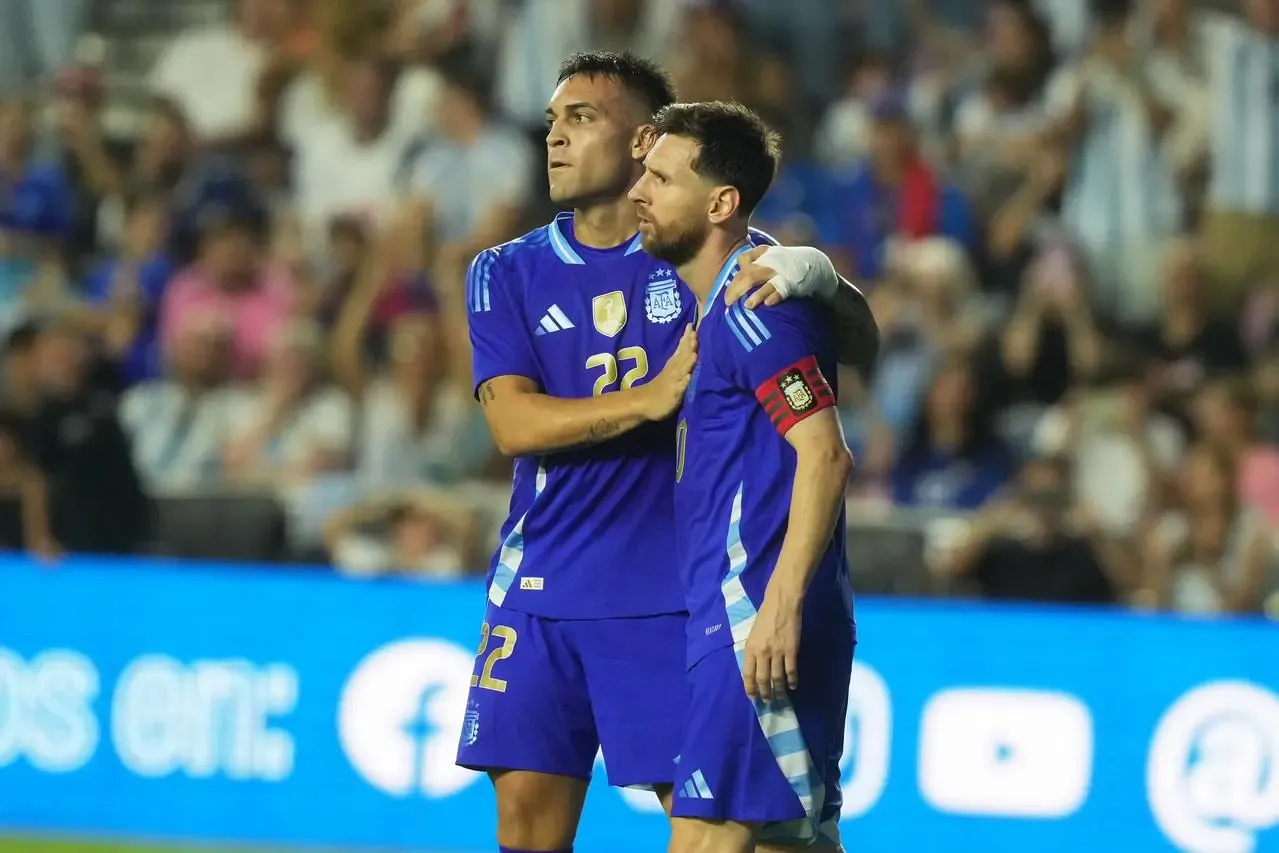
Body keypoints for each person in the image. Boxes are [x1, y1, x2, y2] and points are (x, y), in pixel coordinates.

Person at [456, 51, 876, 853]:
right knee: (529, 832)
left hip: (676, 596)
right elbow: (511, 426)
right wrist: (648, 399)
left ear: (644, 140)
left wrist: (818, 271)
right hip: (540, 586)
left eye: (580, 118)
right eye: (551, 120)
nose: (554, 137)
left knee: (740, 829)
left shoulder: (725, 262)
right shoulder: (505, 271)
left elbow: (844, 364)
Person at [629, 102, 855, 853]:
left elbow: (824, 453)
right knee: (793, 841)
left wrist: (778, 607)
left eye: (661, 178)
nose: (639, 192)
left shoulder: (757, 306)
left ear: (720, 202)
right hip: (737, 615)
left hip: (754, 615)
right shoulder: (721, 307)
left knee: (705, 836)